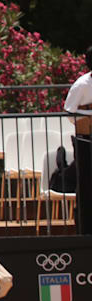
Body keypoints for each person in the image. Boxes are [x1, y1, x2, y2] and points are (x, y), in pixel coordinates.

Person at [62, 46, 92, 232]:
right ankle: (85, 228)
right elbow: (69, 113)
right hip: (86, 140)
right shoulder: (82, 85)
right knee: (87, 185)